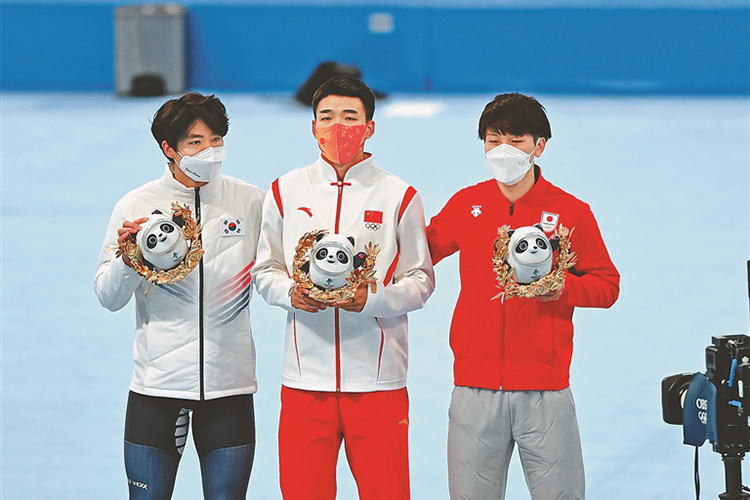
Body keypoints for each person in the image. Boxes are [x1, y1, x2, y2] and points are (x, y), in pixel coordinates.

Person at [426, 93, 620, 500]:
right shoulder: (466, 204)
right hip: (474, 387)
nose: (503, 150)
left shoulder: (570, 211)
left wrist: (563, 288)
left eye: (516, 140)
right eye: (493, 140)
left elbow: (607, 286)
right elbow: (416, 255)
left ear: (539, 146)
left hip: (545, 390)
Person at [252, 75, 435, 500]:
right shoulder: (285, 190)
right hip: (305, 381)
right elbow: (266, 269)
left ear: (370, 126)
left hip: (378, 381)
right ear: (313, 126)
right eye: (327, 117)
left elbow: (421, 280)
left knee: (387, 493)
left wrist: (373, 299)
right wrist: (289, 293)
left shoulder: (399, 195)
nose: (338, 127)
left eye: (350, 117)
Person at [94, 92, 265, 500]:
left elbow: (275, 277)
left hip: (229, 388)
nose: (211, 151)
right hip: (156, 389)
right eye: (196, 142)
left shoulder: (251, 202)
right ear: (169, 148)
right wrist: (128, 259)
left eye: (216, 139)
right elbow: (108, 296)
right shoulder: (136, 205)